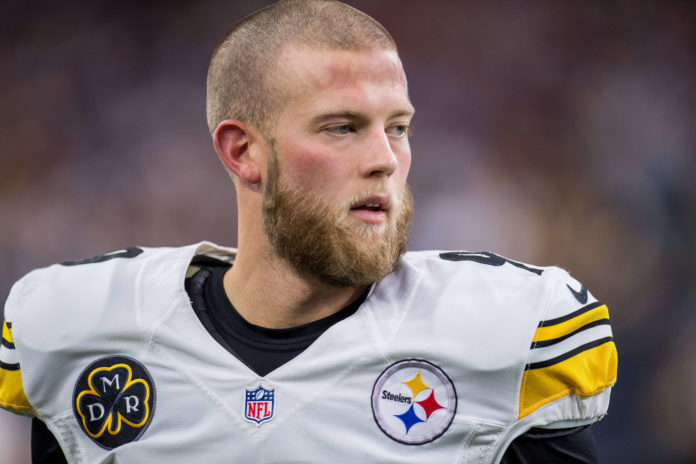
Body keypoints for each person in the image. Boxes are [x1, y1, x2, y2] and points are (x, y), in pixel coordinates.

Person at [0, 1, 617, 462]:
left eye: (397, 127)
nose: (385, 158)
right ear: (243, 152)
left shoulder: (510, 332)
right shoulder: (79, 329)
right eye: (343, 127)